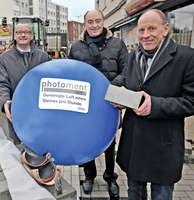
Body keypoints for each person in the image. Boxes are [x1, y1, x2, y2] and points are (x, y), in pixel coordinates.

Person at [116, 9, 194, 200]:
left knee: (161, 196)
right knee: (134, 194)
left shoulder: (188, 58)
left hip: (163, 146)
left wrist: (155, 105)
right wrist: (116, 94)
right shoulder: (132, 56)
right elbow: (125, 80)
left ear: (165, 29)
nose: (145, 35)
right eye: (142, 30)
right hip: (134, 144)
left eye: (151, 28)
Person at [69, 10, 128, 197]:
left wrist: (109, 88)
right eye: (90, 21)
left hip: (109, 103)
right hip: (85, 104)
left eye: (97, 21)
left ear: (103, 22)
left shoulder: (117, 44)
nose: (94, 25)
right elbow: (72, 75)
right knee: (87, 141)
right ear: (85, 24)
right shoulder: (76, 47)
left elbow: (126, 71)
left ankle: (110, 177)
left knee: (109, 141)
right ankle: (89, 175)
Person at [0, 23, 51, 145]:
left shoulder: (43, 57)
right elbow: (0, 84)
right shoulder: (4, 59)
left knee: (44, 148)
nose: (23, 35)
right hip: (19, 112)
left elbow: (52, 81)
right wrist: (4, 101)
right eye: (19, 32)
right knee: (21, 151)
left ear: (32, 36)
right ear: (14, 36)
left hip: (41, 113)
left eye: (26, 32)